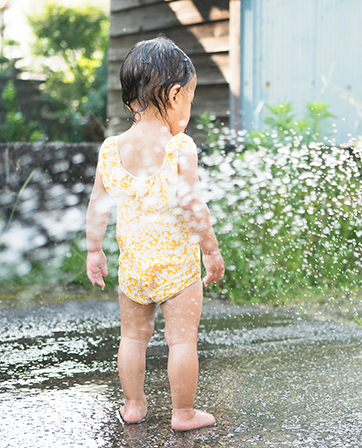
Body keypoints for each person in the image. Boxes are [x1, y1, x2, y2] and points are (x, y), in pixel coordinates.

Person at [85, 36, 225, 431]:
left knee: (132, 337)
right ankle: (183, 414)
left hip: (134, 267)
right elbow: (195, 208)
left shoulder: (111, 149)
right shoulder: (180, 146)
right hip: (178, 269)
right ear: (175, 93)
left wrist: (95, 250)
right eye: (190, 99)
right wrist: (212, 253)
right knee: (182, 341)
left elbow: (97, 204)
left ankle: (133, 406)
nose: (189, 109)